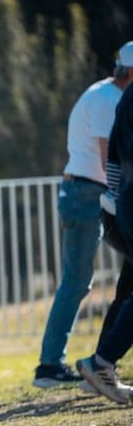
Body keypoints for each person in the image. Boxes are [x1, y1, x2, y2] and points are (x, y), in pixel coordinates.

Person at [34, 41, 133, 388]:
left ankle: (100, 362)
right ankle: (50, 366)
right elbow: (110, 159)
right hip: (87, 193)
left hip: (85, 192)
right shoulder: (110, 100)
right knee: (76, 282)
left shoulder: (106, 93)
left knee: (110, 280)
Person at [77, 78, 133, 404]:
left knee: (127, 289)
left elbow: (112, 157)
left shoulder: (126, 100)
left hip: (124, 202)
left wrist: (116, 196)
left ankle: (100, 364)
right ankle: (101, 362)